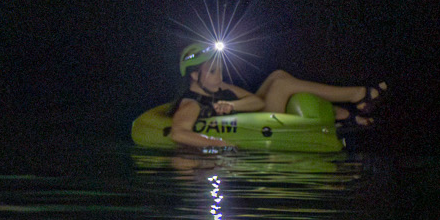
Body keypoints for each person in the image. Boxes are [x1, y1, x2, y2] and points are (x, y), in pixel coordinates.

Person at [166, 41, 387, 148]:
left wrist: (232, 106)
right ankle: (358, 95)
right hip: (259, 124)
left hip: (256, 114)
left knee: (278, 76)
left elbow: (255, 100)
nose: (220, 75)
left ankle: (344, 115)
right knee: (281, 87)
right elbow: (178, 133)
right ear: (195, 76)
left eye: (220, 68)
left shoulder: (221, 87)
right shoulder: (191, 104)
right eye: (212, 71)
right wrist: (219, 143)